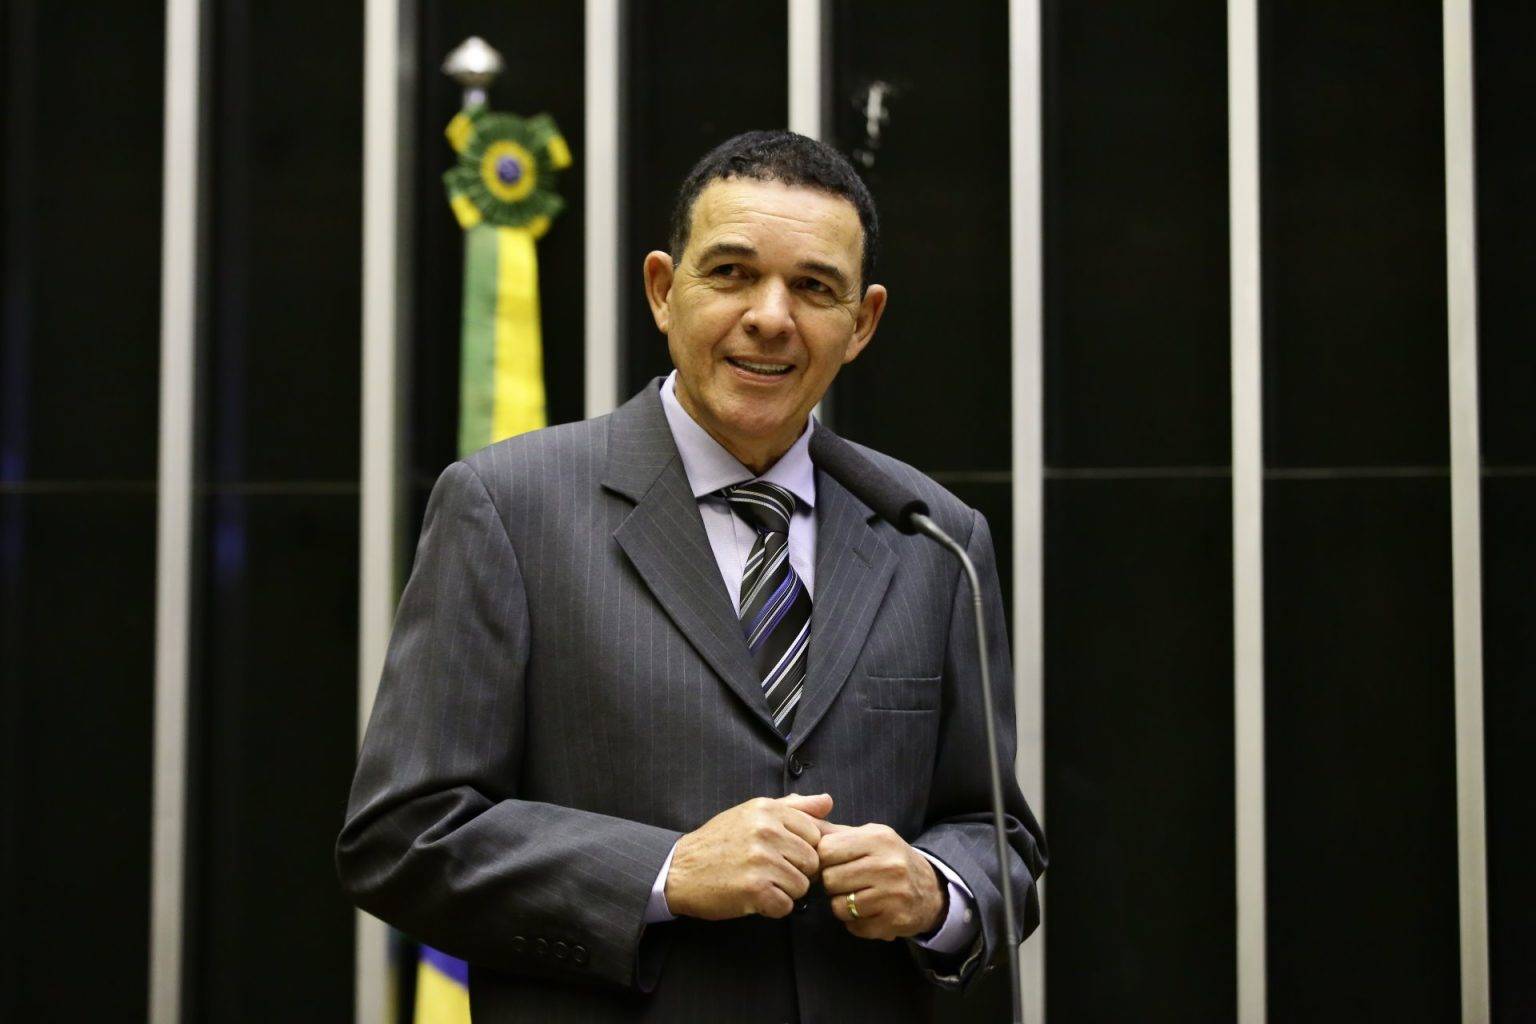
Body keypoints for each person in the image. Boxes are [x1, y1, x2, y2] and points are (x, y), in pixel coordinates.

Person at [337, 129, 1045, 1023]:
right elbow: (403, 837)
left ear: (861, 323)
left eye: (813, 287)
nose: (771, 317)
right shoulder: (508, 508)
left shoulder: (934, 534)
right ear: (663, 291)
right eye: (733, 274)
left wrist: (939, 890)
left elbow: (996, 833)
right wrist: (666, 873)